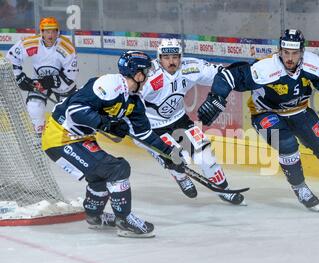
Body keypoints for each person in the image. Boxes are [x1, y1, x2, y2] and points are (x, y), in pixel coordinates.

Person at [197, 29, 319, 212]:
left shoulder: (313, 63)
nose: (290, 58)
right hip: (265, 113)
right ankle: (300, 188)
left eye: (294, 53)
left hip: (299, 110)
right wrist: (217, 97)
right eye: (286, 53)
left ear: (302, 52)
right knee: (287, 144)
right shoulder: (265, 67)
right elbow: (229, 76)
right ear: (280, 51)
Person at [41, 51, 185, 237]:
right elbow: (74, 112)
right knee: (117, 168)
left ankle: (95, 217)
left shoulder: (134, 100)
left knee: (100, 175)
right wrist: (107, 124)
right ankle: (124, 220)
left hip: (80, 138)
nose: (148, 76)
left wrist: (168, 154)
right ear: (138, 74)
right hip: (59, 138)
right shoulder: (108, 84)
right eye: (147, 72)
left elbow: (145, 134)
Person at [139, 38, 244, 205]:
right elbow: (129, 105)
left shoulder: (191, 67)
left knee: (206, 157)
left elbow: (222, 75)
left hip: (179, 120)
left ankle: (224, 189)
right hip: (153, 127)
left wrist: (240, 77)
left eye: (175, 57)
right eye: (166, 58)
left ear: (181, 56)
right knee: (177, 159)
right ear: (159, 58)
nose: (171, 62)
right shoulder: (147, 76)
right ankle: (179, 175)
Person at [6, 16, 78, 135]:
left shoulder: (66, 47)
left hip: (62, 83)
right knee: (34, 107)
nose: (50, 36)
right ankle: (39, 137)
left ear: (57, 32)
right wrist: (19, 77)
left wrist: (51, 81)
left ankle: (68, 137)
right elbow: (12, 57)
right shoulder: (32, 43)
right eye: (47, 31)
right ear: (42, 32)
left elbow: (71, 76)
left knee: (71, 112)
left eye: (53, 31)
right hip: (39, 80)